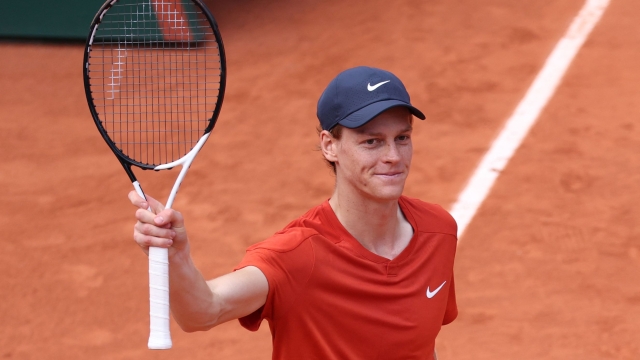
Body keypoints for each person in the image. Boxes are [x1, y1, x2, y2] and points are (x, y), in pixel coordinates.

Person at [130, 66, 458, 359]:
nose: (393, 156)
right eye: (371, 142)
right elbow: (204, 311)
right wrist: (176, 257)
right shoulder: (297, 257)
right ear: (330, 145)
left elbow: (420, 345)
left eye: (402, 138)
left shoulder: (438, 231)